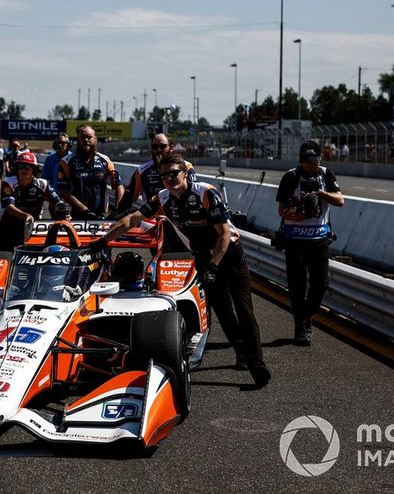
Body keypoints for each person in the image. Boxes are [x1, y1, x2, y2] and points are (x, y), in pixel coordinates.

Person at [95, 153, 271, 388]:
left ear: (185, 174)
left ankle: (257, 363)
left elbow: (224, 234)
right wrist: (102, 241)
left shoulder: (206, 192)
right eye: (164, 175)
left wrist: (213, 265)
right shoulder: (163, 198)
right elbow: (132, 220)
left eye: (174, 173)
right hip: (201, 256)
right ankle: (244, 355)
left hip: (228, 254)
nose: (169, 178)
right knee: (223, 312)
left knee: (244, 309)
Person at [276, 140, 345, 345]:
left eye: (314, 161)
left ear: (320, 158)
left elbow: (340, 200)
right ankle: (301, 327)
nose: (311, 165)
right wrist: (294, 213)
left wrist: (321, 193)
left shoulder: (326, 174)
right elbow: (281, 208)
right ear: (300, 161)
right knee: (297, 287)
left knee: (321, 284)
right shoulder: (291, 176)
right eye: (307, 162)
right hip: (295, 239)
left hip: (319, 239)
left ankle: (306, 316)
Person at [0, 151, 62, 251]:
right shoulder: (8, 182)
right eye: (21, 167)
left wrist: (64, 213)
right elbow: (9, 207)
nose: (23, 170)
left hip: (31, 228)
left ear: (34, 169)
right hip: (7, 228)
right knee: (5, 260)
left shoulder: (42, 185)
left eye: (27, 167)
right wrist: (25, 216)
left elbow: (57, 203)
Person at [57, 125, 124, 219]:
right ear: (78, 139)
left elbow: (119, 185)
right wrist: (86, 211)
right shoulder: (66, 162)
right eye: (83, 137)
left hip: (101, 217)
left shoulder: (105, 161)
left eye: (89, 137)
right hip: (77, 217)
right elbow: (64, 191)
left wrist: (117, 209)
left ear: (95, 139)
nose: (86, 140)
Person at [118, 133, 196, 211]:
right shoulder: (142, 170)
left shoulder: (186, 166)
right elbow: (128, 197)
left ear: (171, 147)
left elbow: (193, 194)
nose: (158, 150)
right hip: (153, 218)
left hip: (180, 216)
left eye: (162, 146)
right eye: (155, 147)